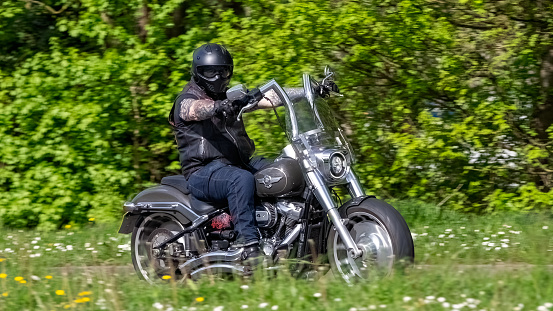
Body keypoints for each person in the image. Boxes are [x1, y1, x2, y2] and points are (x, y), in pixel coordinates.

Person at [168, 43, 338, 264]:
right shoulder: (186, 99)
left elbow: (271, 97)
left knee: (286, 171)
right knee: (241, 179)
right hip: (202, 172)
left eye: (224, 71)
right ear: (198, 72)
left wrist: (309, 91)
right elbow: (192, 109)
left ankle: (306, 240)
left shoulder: (230, 98)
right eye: (211, 72)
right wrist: (217, 107)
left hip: (237, 163)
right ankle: (247, 245)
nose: (218, 76)